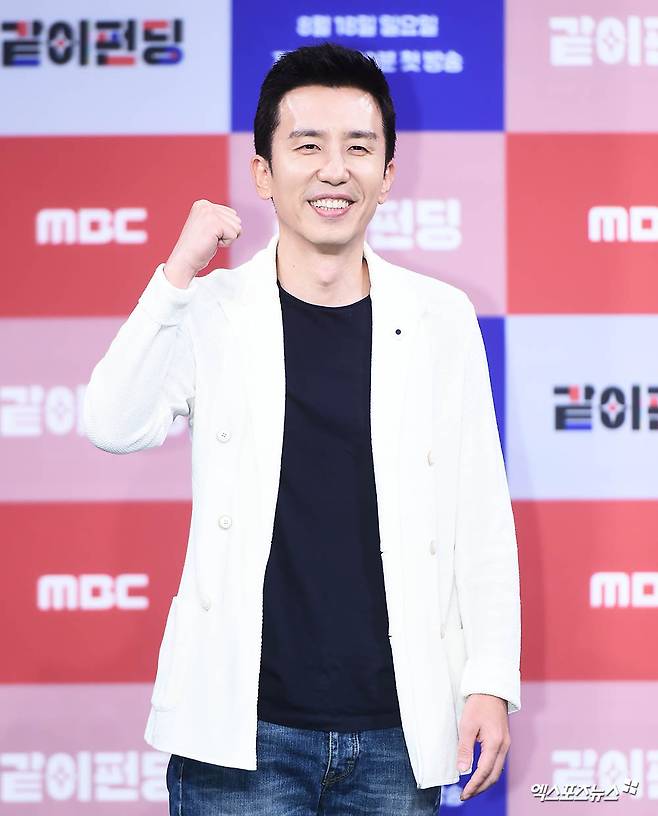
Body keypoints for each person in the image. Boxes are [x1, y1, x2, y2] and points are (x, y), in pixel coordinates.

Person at [82, 42, 521, 816]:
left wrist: (489, 679)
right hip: (240, 733)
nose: (334, 170)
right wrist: (178, 274)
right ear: (263, 171)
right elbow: (111, 422)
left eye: (359, 147)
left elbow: (480, 510)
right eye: (308, 146)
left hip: (397, 731)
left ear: (388, 173)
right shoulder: (211, 311)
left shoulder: (440, 317)